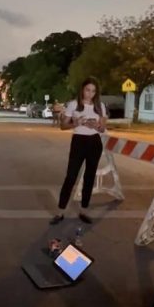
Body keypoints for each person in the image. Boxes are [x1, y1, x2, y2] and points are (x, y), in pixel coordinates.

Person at [50, 78, 108, 225]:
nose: (90, 94)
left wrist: (96, 126)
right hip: (78, 142)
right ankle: (60, 212)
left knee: (89, 177)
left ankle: (84, 210)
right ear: (82, 89)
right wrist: (76, 123)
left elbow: (103, 128)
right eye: (88, 90)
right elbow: (63, 126)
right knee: (71, 176)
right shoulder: (73, 104)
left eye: (93, 91)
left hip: (94, 142)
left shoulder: (100, 106)